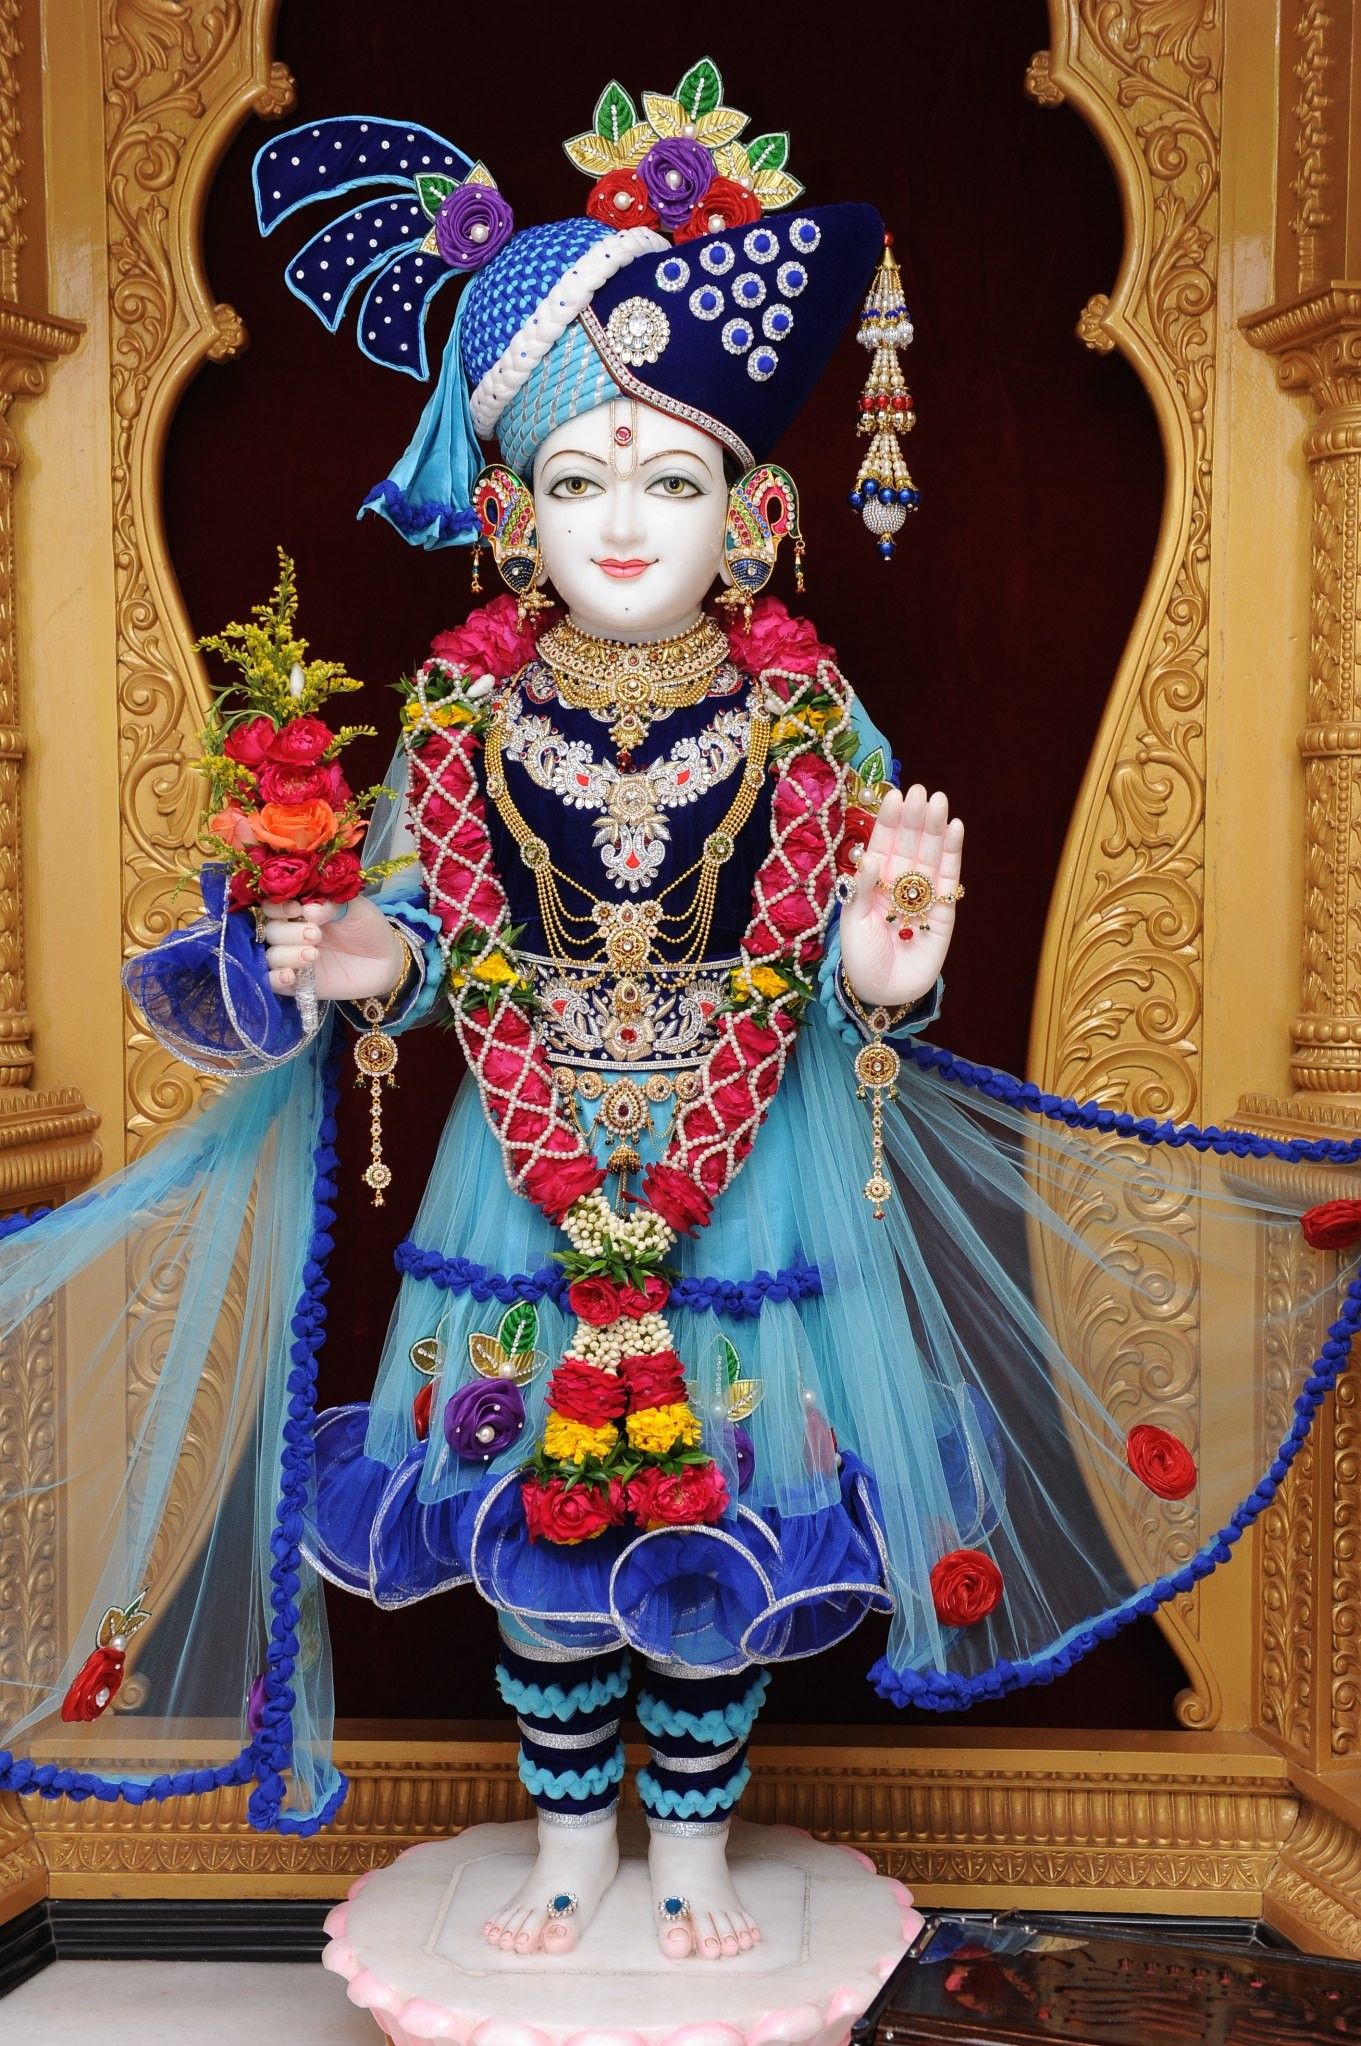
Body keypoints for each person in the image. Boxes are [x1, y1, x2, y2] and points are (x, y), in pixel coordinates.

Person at [2, 60, 1357, 1973]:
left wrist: (888, 975)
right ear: (504, 513)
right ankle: (569, 1845)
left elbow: (857, 953)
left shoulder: (809, 721)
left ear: (757, 503)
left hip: (756, 1173)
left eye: (668, 478)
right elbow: (418, 931)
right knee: (537, 1525)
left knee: (722, 1521)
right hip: (519, 1169)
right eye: (574, 483)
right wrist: (342, 959)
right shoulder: (464, 717)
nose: (621, 522)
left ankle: (695, 1852)